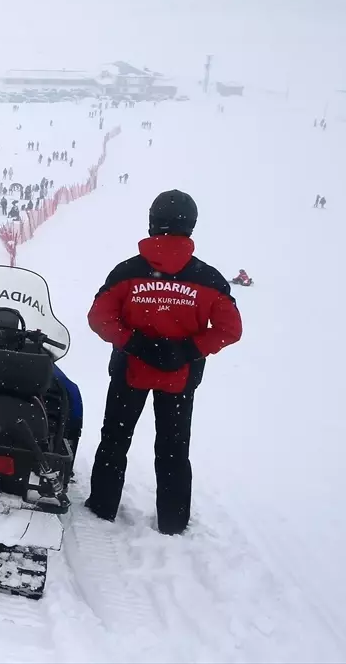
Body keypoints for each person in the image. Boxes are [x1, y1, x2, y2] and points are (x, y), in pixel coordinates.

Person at [84, 190, 243, 535]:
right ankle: (173, 521)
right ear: (191, 227)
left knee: (115, 440)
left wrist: (135, 343)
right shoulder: (208, 279)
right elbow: (231, 329)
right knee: (173, 449)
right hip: (180, 379)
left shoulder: (128, 271)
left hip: (130, 372)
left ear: (152, 222)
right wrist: (187, 350)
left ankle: (102, 508)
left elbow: (99, 317)